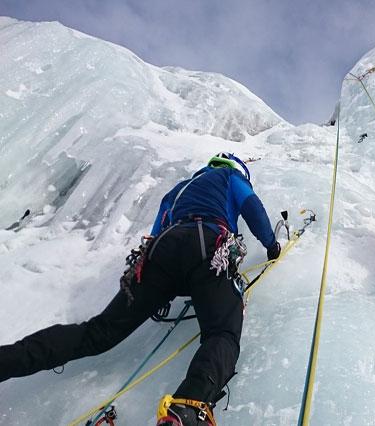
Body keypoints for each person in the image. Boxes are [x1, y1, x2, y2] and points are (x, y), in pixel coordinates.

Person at [0, 152, 282, 425]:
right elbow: (252, 208)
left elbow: (158, 229)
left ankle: (8, 360)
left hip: (162, 250)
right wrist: (271, 245)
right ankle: (188, 406)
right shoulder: (230, 176)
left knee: (99, 332)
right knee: (222, 331)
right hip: (207, 244)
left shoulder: (179, 190)